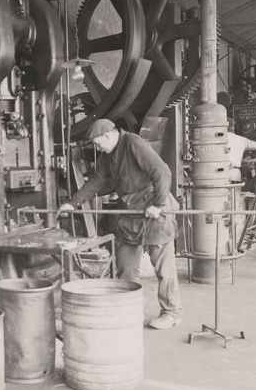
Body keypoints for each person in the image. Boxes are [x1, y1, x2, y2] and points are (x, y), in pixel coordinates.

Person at [58, 119, 182, 329]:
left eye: (97, 144)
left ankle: (172, 312)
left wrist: (159, 204)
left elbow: (162, 172)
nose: (97, 149)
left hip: (155, 212)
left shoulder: (133, 143)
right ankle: (130, 310)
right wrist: (72, 203)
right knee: (126, 266)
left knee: (164, 268)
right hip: (132, 213)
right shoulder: (109, 156)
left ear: (108, 136)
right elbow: (95, 181)